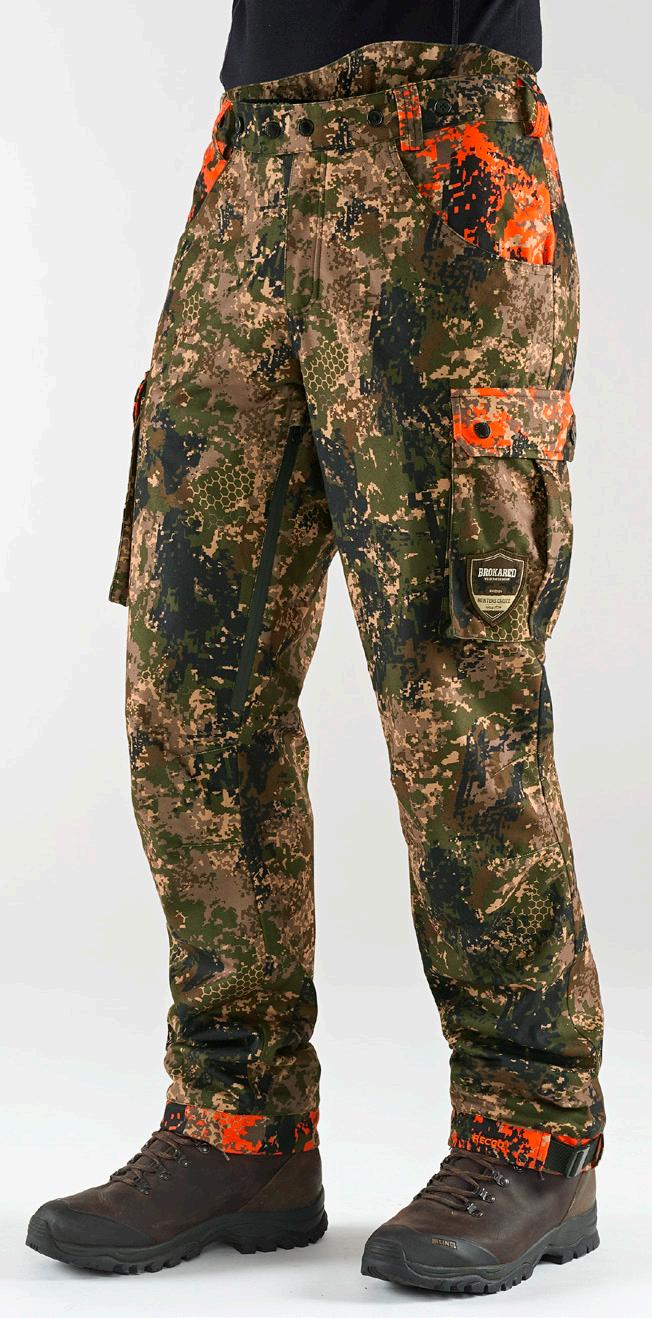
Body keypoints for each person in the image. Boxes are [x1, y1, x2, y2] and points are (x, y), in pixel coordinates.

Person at [27, 0, 605, 1296]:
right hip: (252, 152)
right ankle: (242, 1127)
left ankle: (535, 1129)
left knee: (456, 692)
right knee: (187, 676)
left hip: (445, 145)